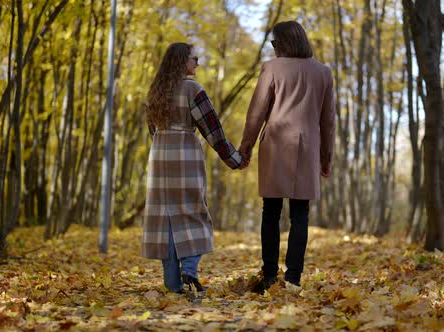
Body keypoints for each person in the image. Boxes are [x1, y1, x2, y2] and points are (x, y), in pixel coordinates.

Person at [239, 21, 336, 294]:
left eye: (274, 42)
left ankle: (269, 276)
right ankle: (293, 279)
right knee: (300, 215)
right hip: (307, 150)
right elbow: (328, 122)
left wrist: (245, 146)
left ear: (282, 42)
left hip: (276, 146)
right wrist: (326, 157)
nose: (273, 47)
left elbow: (257, 112)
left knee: (270, 212)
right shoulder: (323, 72)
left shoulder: (272, 68)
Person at [142, 42, 244, 293]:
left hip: (159, 157)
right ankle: (189, 270)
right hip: (185, 155)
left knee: (166, 218)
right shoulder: (193, 90)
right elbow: (213, 130)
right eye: (193, 58)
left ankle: (172, 284)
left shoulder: (155, 91)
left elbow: (151, 130)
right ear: (181, 61)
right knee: (194, 212)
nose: (197, 63)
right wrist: (234, 159)